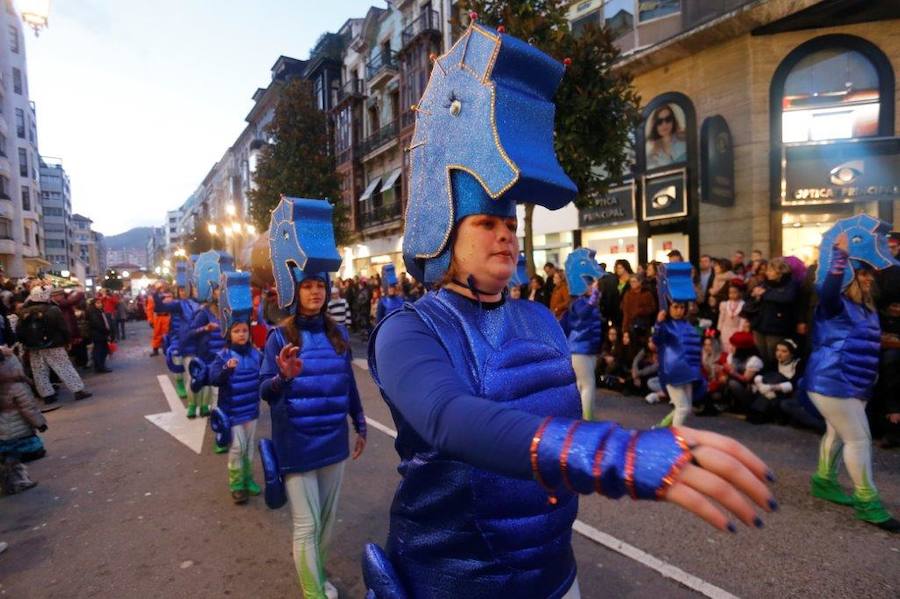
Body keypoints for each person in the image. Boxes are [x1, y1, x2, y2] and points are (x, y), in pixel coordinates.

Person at [363, 23, 775, 598]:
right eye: (486, 224)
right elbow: (448, 418)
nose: (506, 236)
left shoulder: (536, 318)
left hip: (555, 574)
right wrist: (617, 454)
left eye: (510, 224)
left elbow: (557, 425)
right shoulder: (406, 330)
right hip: (458, 583)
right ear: (443, 231)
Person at [258, 197, 366, 598]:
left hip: (333, 444)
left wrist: (359, 424)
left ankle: (316, 577)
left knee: (326, 522)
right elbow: (265, 392)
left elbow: (349, 384)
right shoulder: (278, 337)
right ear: (294, 290)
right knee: (306, 525)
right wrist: (282, 378)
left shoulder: (337, 336)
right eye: (308, 286)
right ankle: (313, 593)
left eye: (320, 285)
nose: (316, 292)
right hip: (298, 445)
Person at [805, 222, 899, 532]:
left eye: (870, 273)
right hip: (832, 379)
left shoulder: (867, 307)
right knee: (859, 439)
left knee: (836, 434)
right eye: (864, 273)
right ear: (850, 276)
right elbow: (829, 288)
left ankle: (823, 481)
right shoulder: (834, 304)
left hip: (852, 382)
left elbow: (865, 341)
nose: (870, 277)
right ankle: (867, 501)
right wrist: (840, 257)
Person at [209, 318, 262, 504]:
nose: (241, 334)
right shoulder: (223, 356)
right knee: (237, 448)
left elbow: (266, 377)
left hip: (251, 410)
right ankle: (237, 484)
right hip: (232, 412)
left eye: (245, 331)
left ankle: (249, 480)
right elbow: (213, 378)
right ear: (229, 334)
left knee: (248, 449)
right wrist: (226, 370)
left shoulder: (256, 354)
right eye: (237, 331)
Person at [16, 285, 91, 404]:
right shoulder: (53, 310)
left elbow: (19, 331)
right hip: (54, 344)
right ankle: (78, 390)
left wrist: (26, 345)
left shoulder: (23, 312)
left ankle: (47, 396)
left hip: (33, 347)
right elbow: (63, 328)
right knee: (64, 367)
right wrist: (67, 341)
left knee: (39, 371)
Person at [559, 249, 603, 419]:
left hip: (586, 350)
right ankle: (587, 419)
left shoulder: (581, 303)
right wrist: (593, 298)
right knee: (587, 385)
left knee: (583, 385)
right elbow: (584, 312)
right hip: (580, 350)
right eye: (589, 283)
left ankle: (583, 418)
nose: (593, 286)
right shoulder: (579, 304)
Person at [653, 278, 703, 426]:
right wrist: (658, 323)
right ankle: (675, 440)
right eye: (675, 307)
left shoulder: (687, 324)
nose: (679, 310)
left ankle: (662, 429)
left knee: (684, 408)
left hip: (687, 370)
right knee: (683, 407)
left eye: (681, 307)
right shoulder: (666, 326)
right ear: (669, 308)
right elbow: (656, 340)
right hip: (673, 371)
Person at [0, 341, 47, 491]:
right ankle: (17, 483)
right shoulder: (16, 385)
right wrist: (40, 423)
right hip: (15, 429)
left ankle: (12, 482)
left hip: (4, 429)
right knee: (13, 456)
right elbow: (28, 408)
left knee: (8, 455)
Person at [748, 257, 799, 366]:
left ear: (780, 271)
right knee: (761, 355)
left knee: (773, 356)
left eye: (771, 270)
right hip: (760, 325)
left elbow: (786, 298)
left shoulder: (790, 283)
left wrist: (764, 294)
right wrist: (755, 295)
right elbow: (752, 299)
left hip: (776, 327)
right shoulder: (765, 283)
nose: (767, 273)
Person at [646, 104, 687, 168]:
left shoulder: (685, 141)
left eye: (668, 119)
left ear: (673, 121)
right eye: (659, 121)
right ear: (655, 125)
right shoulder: (652, 156)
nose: (664, 124)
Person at [717, 280, 748, 355]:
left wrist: (740, 332)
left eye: (735, 292)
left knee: (734, 348)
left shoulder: (743, 305)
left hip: (736, 329)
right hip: (725, 329)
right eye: (730, 293)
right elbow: (721, 318)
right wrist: (719, 329)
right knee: (724, 348)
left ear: (740, 293)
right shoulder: (724, 304)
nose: (732, 295)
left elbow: (742, 320)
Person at [86, 296, 113, 374]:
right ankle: (100, 367)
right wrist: (105, 331)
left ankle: (100, 366)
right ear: (94, 304)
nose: (100, 304)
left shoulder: (99, 311)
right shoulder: (93, 312)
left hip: (100, 334)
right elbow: (97, 324)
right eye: (98, 303)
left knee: (102, 350)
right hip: (98, 334)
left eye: (100, 303)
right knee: (100, 351)